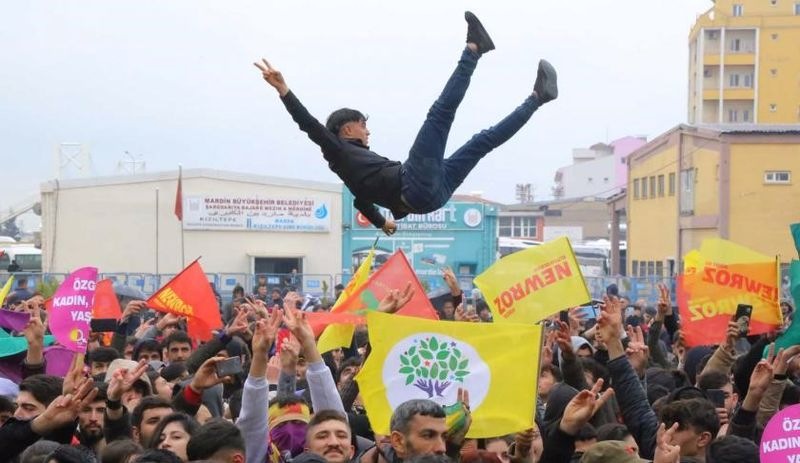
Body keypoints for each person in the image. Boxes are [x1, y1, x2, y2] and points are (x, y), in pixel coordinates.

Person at [255, 11, 557, 234]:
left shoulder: (353, 170)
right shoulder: (338, 150)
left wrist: (382, 222)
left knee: (481, 142)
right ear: (346, 130)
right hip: (415, 185)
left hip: (432, 195)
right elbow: (308, 124)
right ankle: (474, 49)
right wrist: (284, 90)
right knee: (440, 114)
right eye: (362, 124)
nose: (367, 129)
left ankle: (537, 97)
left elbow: (361, 202)